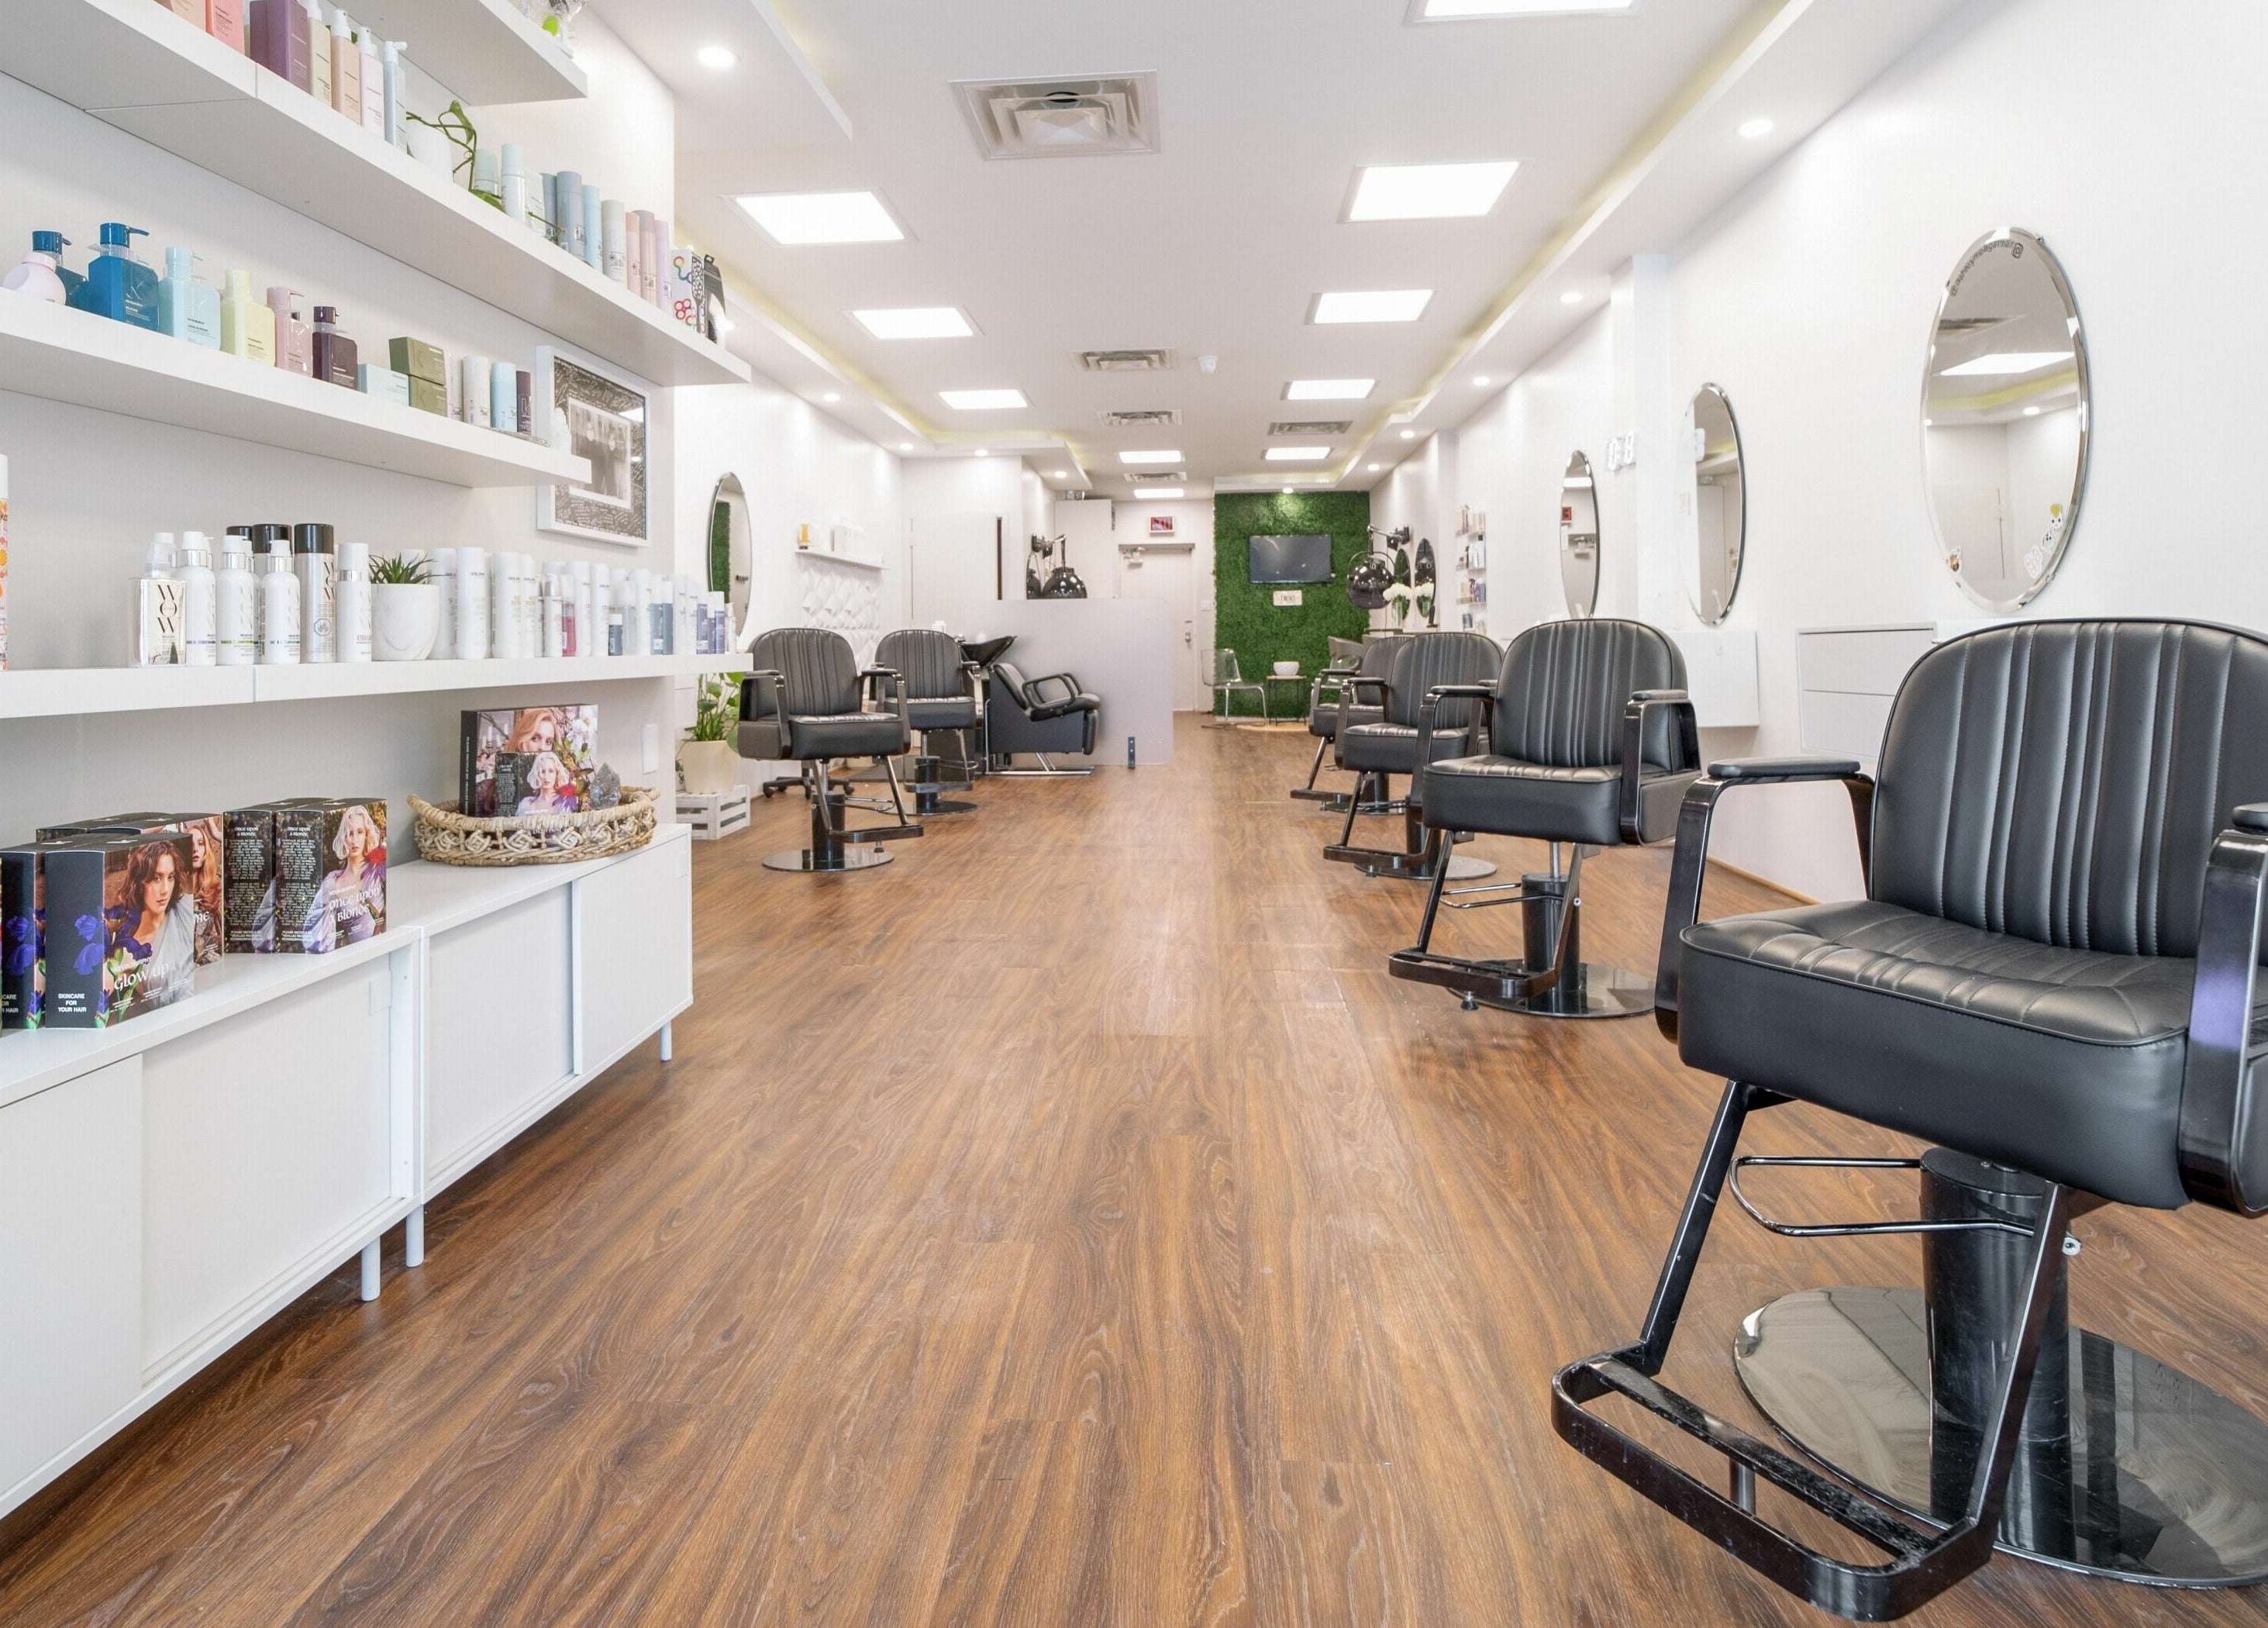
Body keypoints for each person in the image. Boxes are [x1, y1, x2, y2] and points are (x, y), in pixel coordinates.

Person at [106, 840, 197, 1014]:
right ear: (140, 883)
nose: (165, 890)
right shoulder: (130, 947)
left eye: (170, 878)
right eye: (156, 878)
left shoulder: (183, 907)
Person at [319, 804, 388, 947]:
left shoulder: (379, 869)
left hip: (386, 946)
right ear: (344, 838)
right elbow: (324, 936)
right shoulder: (335, 883)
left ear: (366, 835)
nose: (355, 840)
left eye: (360, 832)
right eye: (350, 833)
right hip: (358, 958)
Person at [515, 751, 579, 816]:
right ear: (537, 775)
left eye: (551, 771)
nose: (546, 776)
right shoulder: (526, 806)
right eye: (542, 771)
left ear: (557, 774)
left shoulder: (565, 802)